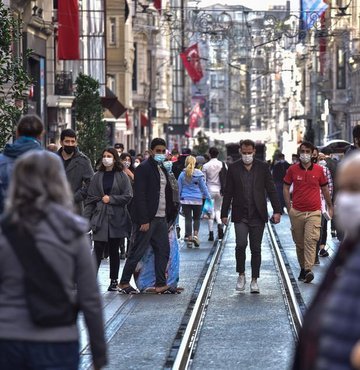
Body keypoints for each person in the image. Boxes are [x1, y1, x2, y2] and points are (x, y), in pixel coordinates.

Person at [0, 150, 106, 370]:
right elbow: (90, 298)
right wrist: (98, 352)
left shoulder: (5, 230)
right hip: (57, 339)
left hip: (8, 338)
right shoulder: (72, 231)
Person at [292, 151, 360, 370]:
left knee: (311, 240)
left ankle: (307, 266)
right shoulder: (349, 251)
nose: (348, 199)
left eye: (356, 189)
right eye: (345, 189)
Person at [118, 138, 179, 294]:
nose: (160, 153)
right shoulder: (144, 168)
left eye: (162, 151)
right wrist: (144, 220)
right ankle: (124, 282)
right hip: (148, 219)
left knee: (163, 250)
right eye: (157, 151)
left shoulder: (164, 168)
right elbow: (140, 195)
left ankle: (161, 283)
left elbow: (170, 190)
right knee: (137, 251)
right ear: (151, 151)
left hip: (161, 218)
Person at [221, 139, 282, 294]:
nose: (247, 155)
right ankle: (241, 274)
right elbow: (228, 192)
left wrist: (277, 210)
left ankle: (255, 279)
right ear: (240, 151)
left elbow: (271, 189)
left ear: (254, 151)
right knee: (240, 245)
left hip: (258, 214)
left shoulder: (263, 167)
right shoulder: (233, 168)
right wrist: (223, 213)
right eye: (244, 152)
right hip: (240, 214)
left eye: (250, 152)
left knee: (256, 248)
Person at [283, 141, 333, 284]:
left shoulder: (319, 170)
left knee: (310, 241)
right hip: (297, 212)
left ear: (312, 154)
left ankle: (308, 269)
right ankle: (303, 268)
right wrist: (289, 207)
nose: (305, 154)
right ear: (299, 153)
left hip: (314, 212)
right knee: (299, 244)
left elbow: (325, 189)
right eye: (302, 151)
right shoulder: (292, 170)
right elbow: (286, 187)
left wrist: (330, 206)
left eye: (307, 151)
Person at [84, 148, 132, 291]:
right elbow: (90, 198)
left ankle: (114, 280)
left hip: (116, 217)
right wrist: (86, 220)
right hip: (100, 217)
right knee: (97, 248)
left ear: (115, 158)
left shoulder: (122, 176)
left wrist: (111, 199)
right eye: (104, 156)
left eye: (109, 156)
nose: (106, 159)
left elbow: (128, 195)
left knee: (114, 249)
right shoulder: (97, 176)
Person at [0, 114, 43, 213]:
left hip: (7, 224)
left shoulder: (1, 161)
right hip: (39, 225)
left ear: (17, 133)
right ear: (41, 135)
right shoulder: (52, 162)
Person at [178, 155, 211, 248]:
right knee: (197, 219)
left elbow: (179, 188)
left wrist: (178, 200)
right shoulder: (199, 174)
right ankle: (195, 236)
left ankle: (189, 239)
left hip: (185, 200)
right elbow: (203, 187)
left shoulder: (182, 174)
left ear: (186, 163)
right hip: (197, 199)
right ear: (195, 163)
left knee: (188, 219)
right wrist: (208, 197)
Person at [58, 129, 94, 214]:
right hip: (55, 207)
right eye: (67, 141)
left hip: (75, 208)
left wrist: (75, 197)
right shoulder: (53, 159)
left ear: (76, 142)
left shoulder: (83, 161)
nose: (70, 144)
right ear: (61, 142)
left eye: (72, 142)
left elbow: (91, 183)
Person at [202, 146, 227, 241]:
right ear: (218, 154)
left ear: (209, 154)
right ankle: (220, 224)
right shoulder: (222, 165)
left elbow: (203, 180)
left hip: (209, 191)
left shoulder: (205, 166)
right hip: (220, 190)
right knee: (218, 209)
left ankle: (211, 233)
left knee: (209, 212)